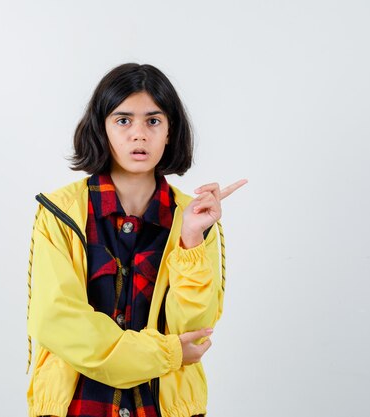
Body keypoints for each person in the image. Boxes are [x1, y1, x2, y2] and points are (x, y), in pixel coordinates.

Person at [26, 63, 247, 417]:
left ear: (170, 131)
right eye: (124, 120)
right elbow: (57, 321)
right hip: (78, 406)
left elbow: (193, 333)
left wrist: (191, 239)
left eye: (153, 121)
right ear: (103, 129)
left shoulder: (195, 218)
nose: (139, 135)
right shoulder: (60, 213)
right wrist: (165, 353)